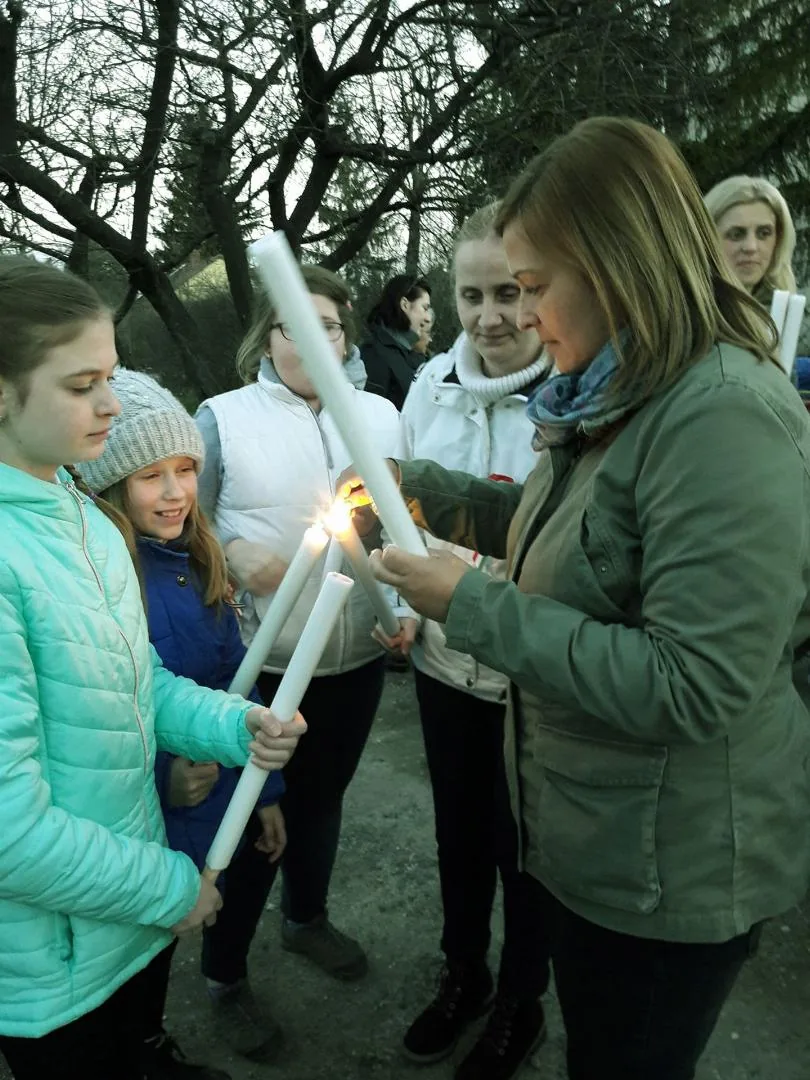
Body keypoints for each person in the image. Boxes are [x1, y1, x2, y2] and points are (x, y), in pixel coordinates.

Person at [345, 117, 810, 1080]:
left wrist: (461, 604)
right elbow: (572, 544)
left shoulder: (720, 414)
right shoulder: (618, 392)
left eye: (535, 287)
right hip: (601, 842)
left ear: (615, 264)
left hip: (668, 868)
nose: (523, 314)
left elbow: (696, 684)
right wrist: (422, 488)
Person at [0, 256, 304, 1080]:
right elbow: (9, 833)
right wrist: (169, 888)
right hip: (52, 956)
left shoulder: (83, 521)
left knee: (134, 1041)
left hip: (116, 913)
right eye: (82, 383)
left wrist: (233, 726)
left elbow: (139, 684)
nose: (110, 401)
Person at [195, 265, 401, 984]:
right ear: (268, 334)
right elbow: (180, 530)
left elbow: (395, 529)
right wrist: (230, 551)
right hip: (266, 659)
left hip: (356, 658)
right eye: (294, 326)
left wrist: (397, 608)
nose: (313, 342)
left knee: (322, 804)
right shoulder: (221, 418)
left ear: (347, 338)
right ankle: (225, 972)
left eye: (331, 327)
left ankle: (305, 921)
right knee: (257, 821)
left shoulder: (379, 416)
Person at [78, 369, 287, 1070]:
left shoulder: (201, 560)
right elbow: (106, 714)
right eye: (149, 476)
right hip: (152, 814)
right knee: (146, 937)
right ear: (109, 485)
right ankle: (139, 1041)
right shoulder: (106, 580)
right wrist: (168, 775)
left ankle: (184, 1014)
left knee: (211, 907)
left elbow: (236, 673)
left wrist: (267, 792)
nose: (174, 492)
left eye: (186, 469)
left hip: (226, 779)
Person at [390, 202, 551, 1080]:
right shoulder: (429, 386)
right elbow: (405, 508)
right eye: (470, 295)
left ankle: (523, 1002)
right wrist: (403, 602)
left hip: (533, 673)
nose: (490, 317)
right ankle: (465, 973)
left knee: (522, 847)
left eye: (510, 292)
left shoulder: (575, 388)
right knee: (457, 830)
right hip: (445, 661)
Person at [704, 175, 797, 301]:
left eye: (764, 233)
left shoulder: (782, 312)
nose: (750, 247)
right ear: (707, 238)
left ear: (779, 240)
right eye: (736, 234)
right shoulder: (681, 314)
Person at [360, 275, 432, 409]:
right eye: (425, 308)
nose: (427, 318)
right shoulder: (374, 355)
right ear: (405, 305)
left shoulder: (412, 356)